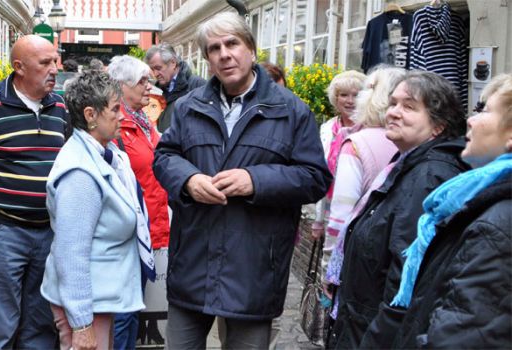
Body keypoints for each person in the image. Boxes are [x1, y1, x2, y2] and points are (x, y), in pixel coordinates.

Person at [152, 12, 331, 349]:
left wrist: (256, 180)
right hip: (193, 262)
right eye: (214, 48)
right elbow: (164, 156)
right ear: (207, 60)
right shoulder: (189, 107)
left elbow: (314, 178)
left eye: (232, 43)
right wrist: (188, 180)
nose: (224, 54)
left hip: (253, 270)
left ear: (250, 49)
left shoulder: (291, 111)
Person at [329, 71, 469, 349]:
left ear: (438, 126)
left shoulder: (429, 176)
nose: (393, 112)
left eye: (409, 107)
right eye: (393, 103)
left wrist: (375, 340)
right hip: (362, 324)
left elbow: (405, 278)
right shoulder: (408, 163)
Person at [387, 73, 512, 349]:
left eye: (486, 110)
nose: (471, 119)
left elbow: (460, 335)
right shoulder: (481, 200)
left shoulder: (497, 224)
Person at [0, 35, 66, 349]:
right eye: (45, 62)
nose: (54, 69)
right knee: (1, 327)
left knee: (41, 326)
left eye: (55, 60)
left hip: (48, 232)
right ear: (18, 67)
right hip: (1, 233)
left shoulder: (59, 106)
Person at [40, 70, 148, 350]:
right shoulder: (80, 174)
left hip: (98, 302)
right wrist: (82, 325)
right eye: (115, 109)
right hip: (87, 310)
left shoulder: (102, 154)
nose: (122, 116)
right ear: (90, 115)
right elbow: (71, 253)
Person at [321, 66, 403, 319]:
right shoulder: (408, 140)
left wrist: (329, 268)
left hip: (359, 259)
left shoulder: (357, 144)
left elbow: (341, 215)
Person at [107, 55, 170, 349]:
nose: (150, 87)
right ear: (121, 86)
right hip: (126, 236)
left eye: (149, 80)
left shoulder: (145, 122)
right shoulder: (115, 128)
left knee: (133, 313)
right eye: (142, 81)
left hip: (149, 230)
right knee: (121, 317)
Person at [312, 70, 366, 249]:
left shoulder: (368, 129)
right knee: (327, 262)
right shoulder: (328, 128)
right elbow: (320, 171)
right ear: (336, 98)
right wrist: (318, 220)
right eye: (344, 95)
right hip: (329, 206)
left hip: (358, 209)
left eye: (356, 95)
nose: (350, 101)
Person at [144, 43, 205, 132]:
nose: (155, 74)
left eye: (158, 68)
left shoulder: (198, 86)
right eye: (152, 69)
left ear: (173, 63)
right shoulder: (156, 92)